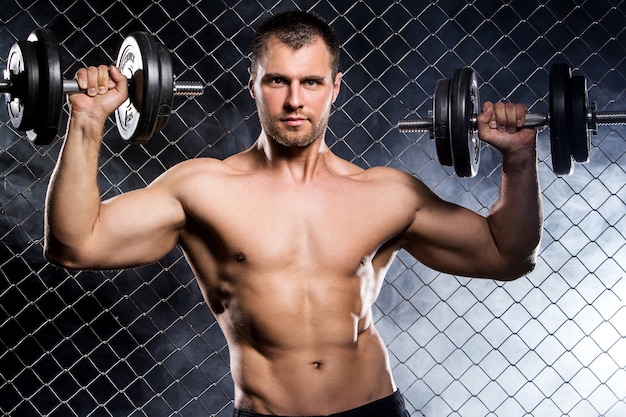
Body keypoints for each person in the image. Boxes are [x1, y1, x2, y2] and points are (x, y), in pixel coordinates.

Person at [44, 10, 542, 417]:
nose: (295, 100)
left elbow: (508, 255)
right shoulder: (202, 188)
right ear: (253, 83)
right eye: (278, 80)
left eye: (311, 82)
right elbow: (75, 244)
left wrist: (518, 160)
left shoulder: (386, 194)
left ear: (335, 87)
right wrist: (87, 122)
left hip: (372, 409)